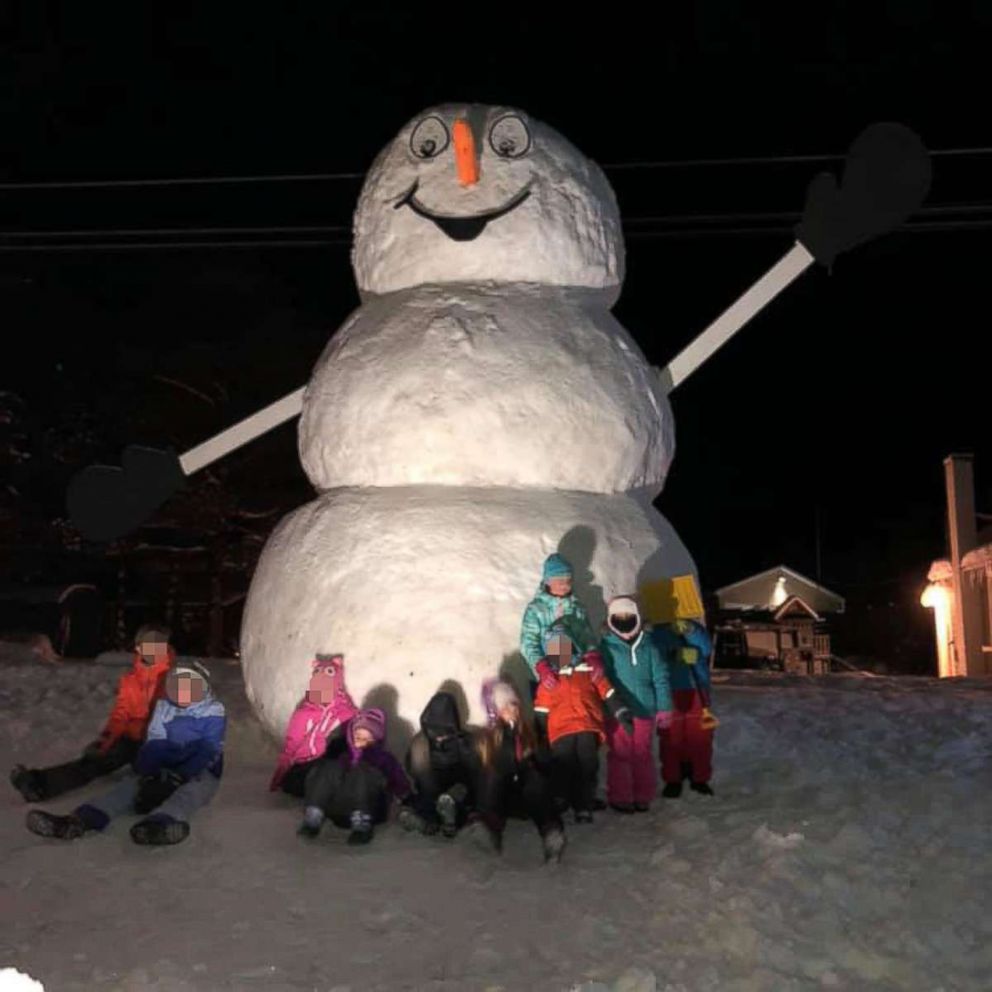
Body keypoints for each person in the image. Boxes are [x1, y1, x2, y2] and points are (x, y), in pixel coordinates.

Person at [25, 660, 226, 846]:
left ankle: (160, 824)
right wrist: (148, 772)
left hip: (201, 771)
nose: (185, 691)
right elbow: (153, 744)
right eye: (179, 685)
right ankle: (79, 820)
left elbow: (208, 751)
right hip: (165, 766)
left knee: (188, 794)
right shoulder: (164, 709)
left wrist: (179, 776)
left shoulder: (212, 712)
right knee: (125, 789)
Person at [10, 623, 174, 803]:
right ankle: (39, 784)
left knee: (116, 766)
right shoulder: (133, 681)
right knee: (94, 761)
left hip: (158, 746)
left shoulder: (171, 680)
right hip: (132, 742)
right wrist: (104, 741)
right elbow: (120, 717)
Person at [533, 620, 633, 823]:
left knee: (588, 766)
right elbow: (541, 709)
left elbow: (608, 692)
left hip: (588, 727)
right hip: (561, 731)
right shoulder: (549, 681)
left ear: (572, 646)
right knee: (563, 766)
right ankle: (562, 798)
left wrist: (621, 712)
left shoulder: (588, 672)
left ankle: (583, 805)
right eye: (555, 648)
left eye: (564, 646)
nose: (561, 652)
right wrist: (540, 735)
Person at [468, 678, 566, 863]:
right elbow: (477, 773)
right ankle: (489, 830)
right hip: (499, 799)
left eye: (515, 705)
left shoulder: (528, 732)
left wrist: (536, 756)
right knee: (492, 773)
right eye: (506, 706)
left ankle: (551, 833)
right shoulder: (484, 739)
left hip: (526, 797)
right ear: (495, 711)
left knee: (534, 776)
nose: (513, 710)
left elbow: (546, 766)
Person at [599, 595, 673, 813]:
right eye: (619, 617)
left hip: (644, 710)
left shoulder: (649, 648)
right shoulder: (606, 648)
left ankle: (643, 796)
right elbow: (602, 680)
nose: (624, 620)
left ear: (638, 618)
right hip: (617, 712)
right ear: (611, 620)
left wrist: (664, 707)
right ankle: (621, 797)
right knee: (620, 755)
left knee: (642, 754)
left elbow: (660, 677)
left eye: (628, 616)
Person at [298, 708, 411, 845]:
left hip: (371, 809)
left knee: (361, 771)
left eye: (368, 738)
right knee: (330, 768)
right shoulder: (341, 753)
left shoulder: (384, 759)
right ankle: (313, 816)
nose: (362, 741)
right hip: (340, 809)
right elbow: (319, 775)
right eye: (358, 737)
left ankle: (362, 826)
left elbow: (399, 781)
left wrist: (407, 797)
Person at [269, 653, 358, 796]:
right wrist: (281, 773)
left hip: (330, 766)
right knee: (297, 782)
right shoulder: (304, 713)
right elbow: (292, 744)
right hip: (305, 765)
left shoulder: (346, 712)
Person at [652, 616, 718, 797]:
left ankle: (700, 778)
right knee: (671, 737)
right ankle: (673, 779)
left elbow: (705, 649)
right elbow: (655, 655)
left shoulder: (692, 625)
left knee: (700, 737)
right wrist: (676, 654)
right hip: (669, 690)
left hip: (697, 688)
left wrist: (690, 631)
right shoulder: (658, 630)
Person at [399, 691, 479, 837]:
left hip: (457, 788)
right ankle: (428, 823)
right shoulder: (420, 743)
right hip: (431, 787)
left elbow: (474, 771)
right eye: (434, 731)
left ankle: (449, 821)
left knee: (458, 798)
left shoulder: (465, 741)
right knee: (424, 800)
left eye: (445, 732)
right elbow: (413, 769)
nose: (439, 737)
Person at [519, 553, 596, 695]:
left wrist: (592, 655)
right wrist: (541, 667)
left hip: (577, 674)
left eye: (568, 580)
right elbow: (528, 643)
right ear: (548, 581)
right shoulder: (536, 610)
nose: (565, 585)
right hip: (551, 677)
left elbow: (586, 636)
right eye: (560, 580)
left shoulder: (577, 607)